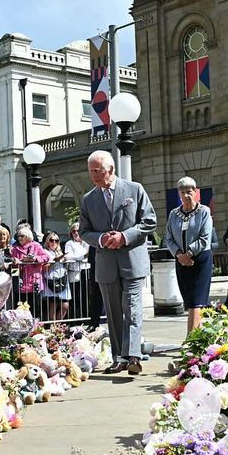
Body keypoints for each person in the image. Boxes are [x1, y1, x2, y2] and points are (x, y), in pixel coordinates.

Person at [78, 150, 157, 375]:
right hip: (106, 264)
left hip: (132, 261)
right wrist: (101, 238)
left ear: (110, 170)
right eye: (91, 170)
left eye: (97, 171)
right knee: (113, 313)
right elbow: (84, 231)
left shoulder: (135, 189)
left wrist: (124, 236)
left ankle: (133, 356)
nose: (93, 175)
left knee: (132, 309)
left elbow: (149, 221)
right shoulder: (88, 199)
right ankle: (119, 358)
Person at [164, 176, 213, 335]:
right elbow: (168, 237)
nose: (186, 195)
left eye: (189, 191)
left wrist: (190, 253)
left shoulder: (204, 211)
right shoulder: (174, 214)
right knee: (189, 301)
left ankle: (190, 338)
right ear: (179, 193)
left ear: (195, 192)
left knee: (196, 302)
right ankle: (200, 336)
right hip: (181, 260)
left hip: (199, 260)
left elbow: (205, 238)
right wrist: (179, 255)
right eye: (183, 192)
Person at [10, 225, 51, 314]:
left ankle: (36, 326)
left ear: (28, 237)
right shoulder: (15, 248)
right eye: (18, 236)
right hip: (21, 285)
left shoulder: (36, 245)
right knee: (20, 311)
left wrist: (35, 259)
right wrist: (17, 264)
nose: (19, 238)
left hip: (34, 283)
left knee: (36, 310)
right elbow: (14, 271)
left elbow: (47, 257)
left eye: (22, 236)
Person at [41, 231, 71, 321]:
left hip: (62, 279)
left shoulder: (59, 251)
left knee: (65, 305)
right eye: (51, 240)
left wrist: (65, 261)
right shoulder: (45, 252)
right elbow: (42, 267)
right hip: (51, 279)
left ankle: (58, 326)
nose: (54, 242)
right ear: (47, 241)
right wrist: (54, 261)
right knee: (53, 304)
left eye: (56, 240)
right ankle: (52, 328)